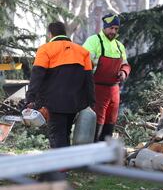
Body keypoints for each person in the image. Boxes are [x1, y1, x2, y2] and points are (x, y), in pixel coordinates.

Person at [26, 21, 95, 149]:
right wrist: (91, 102)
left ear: (50, 34)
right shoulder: (83, 52)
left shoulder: (45, 49)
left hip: (53, 102)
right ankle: (65, 164)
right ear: (64, 33)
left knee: (57, 134)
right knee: (66, 132)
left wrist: (30, 98)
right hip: (75, 102)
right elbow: (89, 79)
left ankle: (60, 167)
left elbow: (37, 75)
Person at [83, 13, 131, 142]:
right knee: (98, 120)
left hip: (114, 90)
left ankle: (105, 153)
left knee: (111, 121)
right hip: (97, 88)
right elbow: (84, 63)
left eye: (116, 29)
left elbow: (125, 65)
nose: (113, 31)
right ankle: (92, 151)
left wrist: (123, 72)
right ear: (105, 27)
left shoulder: (119, 46)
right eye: (111, 28)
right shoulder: (93, 41)